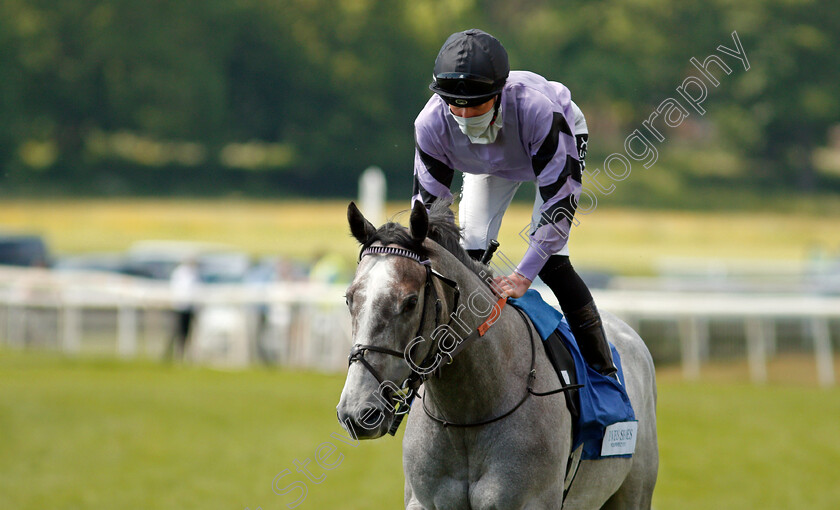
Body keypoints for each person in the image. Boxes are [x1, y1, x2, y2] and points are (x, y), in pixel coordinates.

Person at [412, 29, 616, 377]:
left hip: (549, 138)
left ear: (498, 92)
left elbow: (559, 204)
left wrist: (523, 275)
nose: (463, 116)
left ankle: (604, 375)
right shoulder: (429, 123)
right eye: (454, 104)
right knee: (468, 256)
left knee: (551, 262)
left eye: (476, 103)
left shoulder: (540, 111)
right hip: (488, 162)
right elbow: (430, 216)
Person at [167, 258, 200, 360]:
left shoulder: (194, 273)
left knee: (187, 333)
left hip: (190, 307)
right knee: (177, 332)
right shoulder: (180, 273)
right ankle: (173, 355)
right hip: (180, 307)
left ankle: (184, 356)